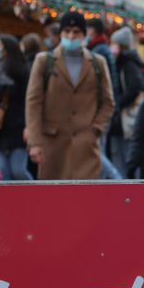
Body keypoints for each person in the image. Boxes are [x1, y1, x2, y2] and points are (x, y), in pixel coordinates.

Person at [25, 11, 115, 180]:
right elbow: (33, 102)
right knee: (53, 194)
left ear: (84, 34)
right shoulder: (44, 61)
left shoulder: (98, 63)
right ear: (60, 33)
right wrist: (35, 142)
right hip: (52, 145)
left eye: (76, 32)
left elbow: (108, 102)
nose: (71, 36)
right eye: (66, 31)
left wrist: (95, 129)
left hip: (86, 147)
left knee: (85, 194)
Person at [0, 34, 31, 180]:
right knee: (2, 172)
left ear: (7, 48)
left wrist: (28, 126)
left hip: (18, 127)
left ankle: (35, 193)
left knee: (18, 170)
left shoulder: (22, 72)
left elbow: (28, 100)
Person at [107, 26, 144, 178]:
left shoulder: (127, 64)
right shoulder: (123, 63)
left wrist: (118, 103)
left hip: (125, 119)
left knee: (125, 158)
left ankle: (127, 186)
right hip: (120, 120)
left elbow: (135, 87)